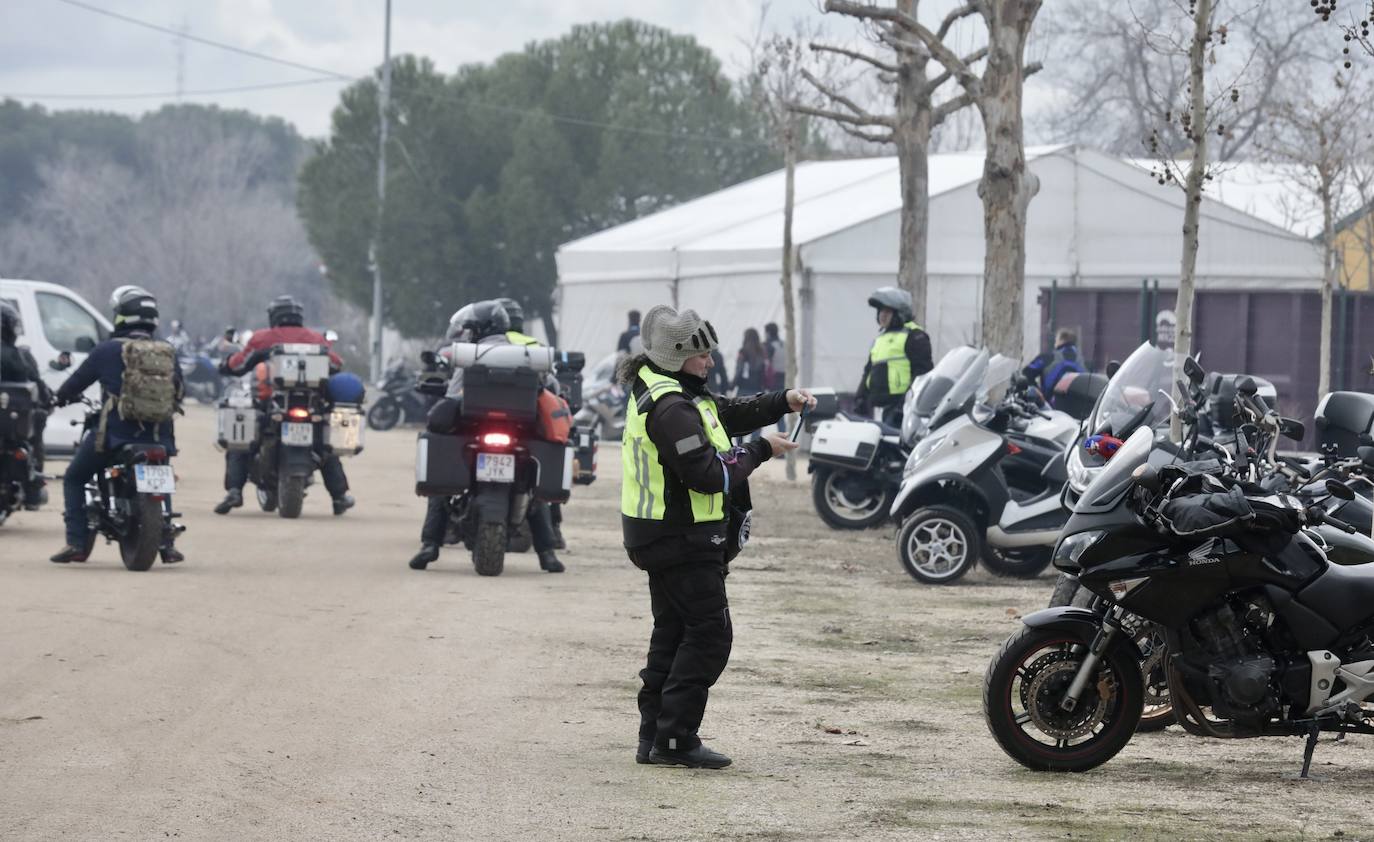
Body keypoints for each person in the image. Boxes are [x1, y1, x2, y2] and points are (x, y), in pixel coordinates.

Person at [621, 304, 815, 769]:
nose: (710, 362)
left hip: (665, 537)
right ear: (675, 356)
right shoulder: (671, 408)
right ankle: (675, 740)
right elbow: (708, 475)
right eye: (701, 355)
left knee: (674, 631)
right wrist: (762, 449)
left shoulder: (671, 390)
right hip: (681, 539)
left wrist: (780, 401)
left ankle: (655, 737)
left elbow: (722, 413)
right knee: (710, 634)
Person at [408, 300, 566, 573]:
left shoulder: (471, 355)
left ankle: (429, 546)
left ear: (480, 328)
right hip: (518, 434)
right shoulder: (527, 352)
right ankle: (547, 554)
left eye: (470, 329)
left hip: (475, 431)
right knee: (534, 490)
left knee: (442, 490)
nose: (467, 335)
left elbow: (452, 396)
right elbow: (548, 389)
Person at [49, 286, 184, 564]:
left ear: (121, 316)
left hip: (114, 436)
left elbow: (74, 385)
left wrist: (60, 398)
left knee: (74, 477)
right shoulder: (167, 351)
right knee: (160, 476)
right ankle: (166, 543)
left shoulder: (107, 350)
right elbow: (181, 390)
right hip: (160, 437)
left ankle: (75, 542)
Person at [213, 295, 355, 516]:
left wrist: (226, 366)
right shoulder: (315, 338)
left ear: (274, 316)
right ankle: (339, 497)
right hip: (311, 406)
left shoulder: (263, 338)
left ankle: (234, 491)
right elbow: (336, 364)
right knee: (325, 447)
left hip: (274, 405)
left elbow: (239, 364)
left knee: (241, 434)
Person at [855, 287, 932, 428]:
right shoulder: (880, 339)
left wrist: (904, 404)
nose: (882, 315)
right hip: (877, 409)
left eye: (887, 311)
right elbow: (868, 371)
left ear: (899, 313)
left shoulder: (915, 336)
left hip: (899, 410)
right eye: (880, 311)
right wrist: (860, 398)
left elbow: (923, 373)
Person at [1, 303, 52, 507]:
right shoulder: (18, 356)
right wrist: (49, 400)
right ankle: (33, 490)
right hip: (11, 428)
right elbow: (36, 384)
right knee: (38, 420)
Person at [1023, 328, 1086, 400]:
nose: (1054, 343)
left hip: (1050, 407)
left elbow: (1026, 374)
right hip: (1078, 407)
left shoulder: (1048, 357)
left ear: (1062, 340)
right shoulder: (1084, 362)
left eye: (1056, 340)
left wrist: (1037, 392)